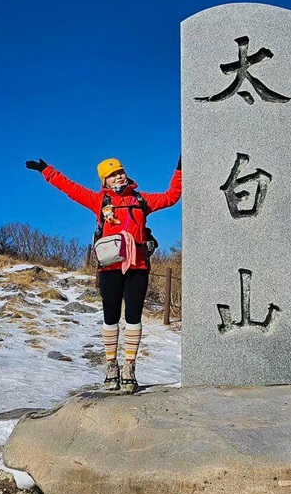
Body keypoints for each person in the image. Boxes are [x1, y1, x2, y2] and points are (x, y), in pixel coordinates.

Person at [25, 155, 182, 393]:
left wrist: (180, 169)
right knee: (110, 318)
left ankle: (129, 367)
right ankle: (111, 367)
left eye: (120, 171)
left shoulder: (141, 200)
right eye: (112, 174)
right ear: (104, 181)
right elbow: (70, 188)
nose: (119, 175)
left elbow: (172, 196)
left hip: (138, 267)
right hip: (109, 268)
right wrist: (47, 171)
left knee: (133, 318)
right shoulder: (99, 201)